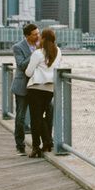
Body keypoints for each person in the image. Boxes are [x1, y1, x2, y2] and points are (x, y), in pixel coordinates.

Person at [25, 28, 62, 158]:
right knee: (42, 117)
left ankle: (36, 147)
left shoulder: (38, 53)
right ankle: (47, 142)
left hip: (35, 88)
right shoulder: (58, 52)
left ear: (43, 39)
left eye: (41, 36)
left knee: (36, 119)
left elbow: (28, 72)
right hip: (49, 89)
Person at [11, 24, 40, 155]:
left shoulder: (41, 46)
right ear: (27, 36)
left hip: (37, 86)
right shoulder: (18, 47)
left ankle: (42, 143)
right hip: (22, 86)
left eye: (38, 33)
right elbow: (21, 65)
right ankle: (20, 145)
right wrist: (34, 54)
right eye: (34, 34)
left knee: (41, 114)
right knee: (21, 117)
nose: (37, 36)